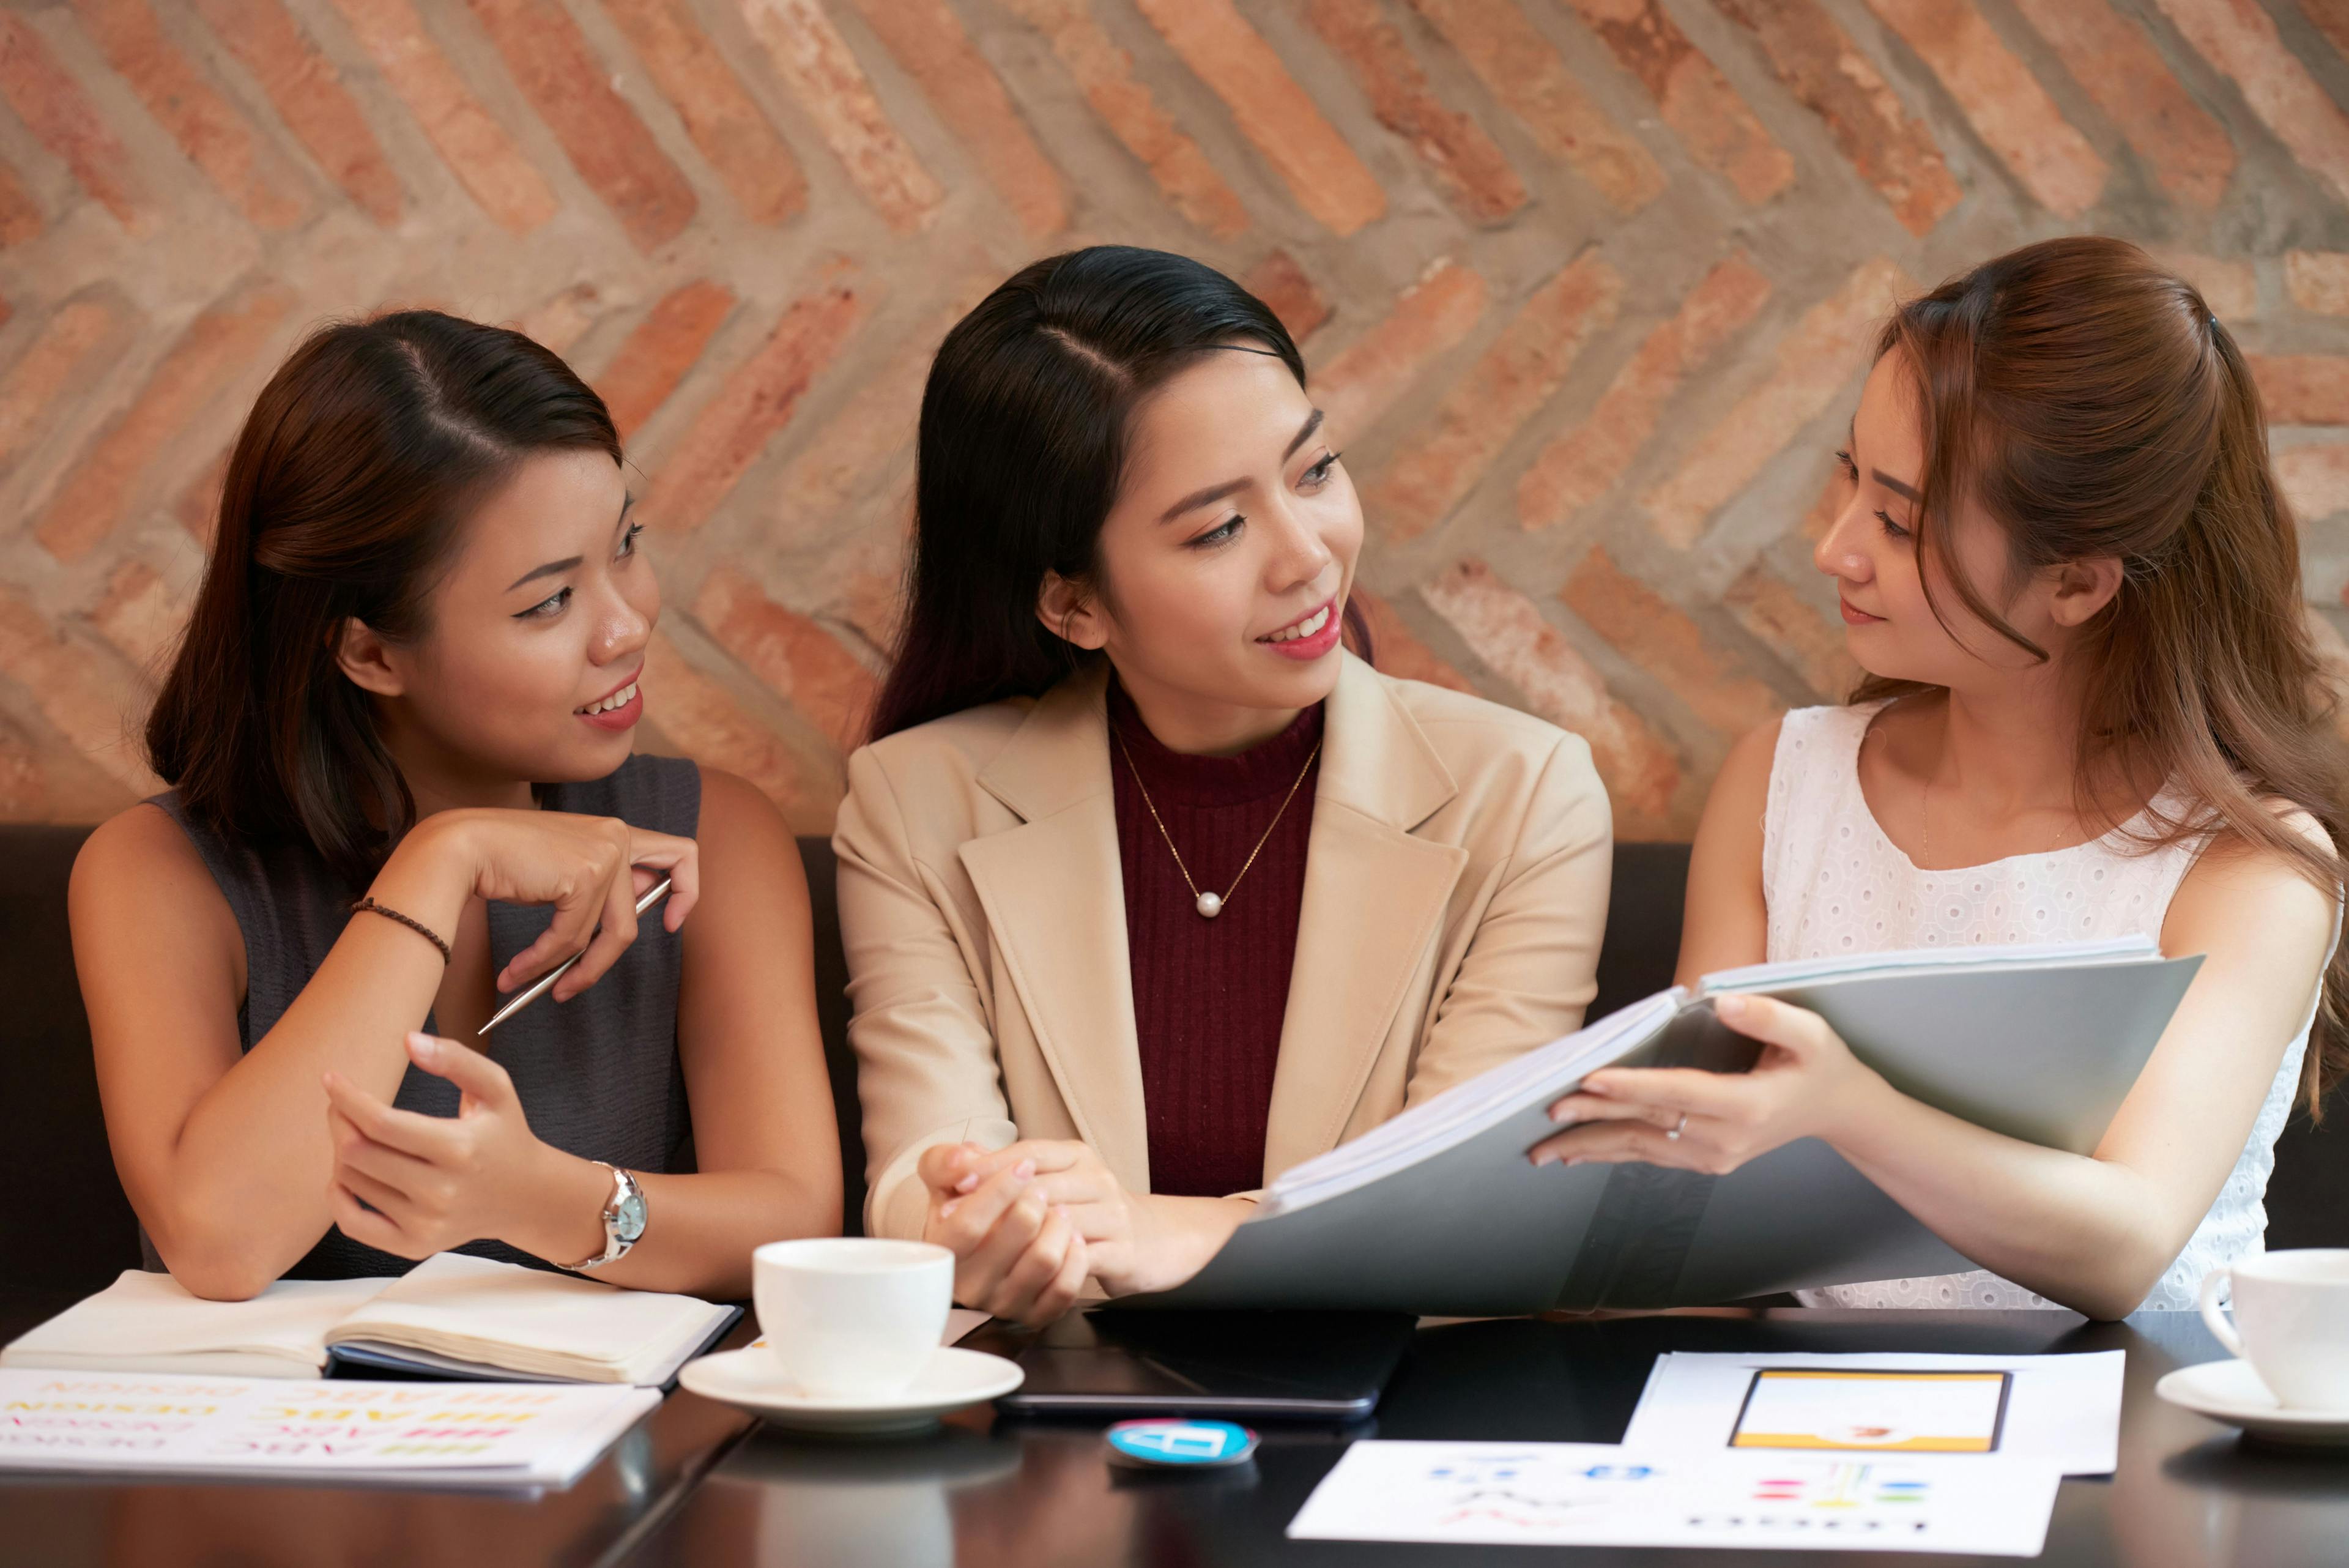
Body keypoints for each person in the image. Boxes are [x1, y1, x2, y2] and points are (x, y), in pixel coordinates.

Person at [1532, 237, 2346, 1318]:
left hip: (2128, 1437)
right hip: (1796, 1437)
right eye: (1851, 480)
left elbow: (2129, 1242)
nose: (1834, 551)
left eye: (1899, 522)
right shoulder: (1784, 782)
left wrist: (1848, 1108)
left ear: (2077, 583)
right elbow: (1685, 1192)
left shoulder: (2248, 865)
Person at [836, 246, 1614, 1325]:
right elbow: (921, 1163)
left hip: (1390, 1431)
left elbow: (1467, 1215)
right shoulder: (914, 801)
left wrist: (1186, 1228)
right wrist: (962, 1225)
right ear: (1072, 606)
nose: (1308, 557)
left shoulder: (1526, 794)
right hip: (1054, 1428)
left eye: (1315, 472)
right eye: (1218, 529)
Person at [70, 311, 841, 1301]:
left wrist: (535, 1200)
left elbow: (795, 1225)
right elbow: (221, 1240)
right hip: (281, 1450)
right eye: (547, 603)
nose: (626, 622)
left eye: (626, 545)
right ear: (371, 654)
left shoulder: (712, 838)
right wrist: (444, 859)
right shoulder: (161, 873)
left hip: (619, 1448)